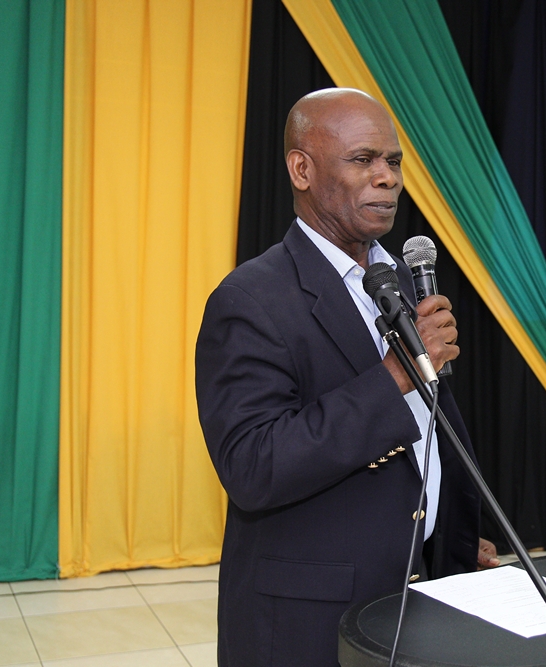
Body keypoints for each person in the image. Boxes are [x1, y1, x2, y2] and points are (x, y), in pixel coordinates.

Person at [196, 88, 497, 667]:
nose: (388, 178)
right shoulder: (249, 300)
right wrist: (394, 377)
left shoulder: (402, 281)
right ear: (301, 169)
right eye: (363, 159)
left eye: (394, 161)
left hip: (418, 589)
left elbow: (424, 438)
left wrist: (445, 535)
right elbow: (253, 467)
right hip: (311, 620)